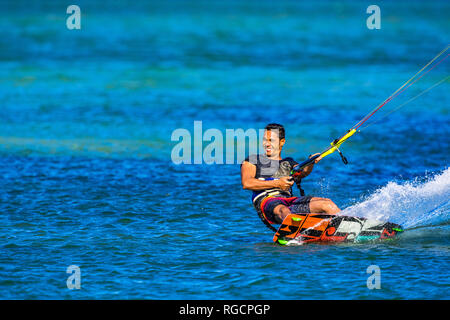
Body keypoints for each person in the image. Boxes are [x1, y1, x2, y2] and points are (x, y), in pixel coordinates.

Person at [240, 123, 340, 230]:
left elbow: (302, 172)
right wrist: (277, 183)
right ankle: (297, 232)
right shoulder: (252, 161)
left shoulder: (288, 162)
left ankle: (345, 228)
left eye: (271, 140)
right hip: (268, 201)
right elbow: (247, 183)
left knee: (327, 204)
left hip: (290, 201)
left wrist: (311, 162)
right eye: (265, 140)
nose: (267, 144)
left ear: (282, 142)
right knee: (284, 211)